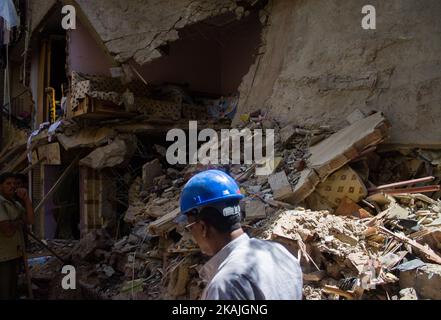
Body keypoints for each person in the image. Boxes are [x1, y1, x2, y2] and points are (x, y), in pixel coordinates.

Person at [176, 169, 303, 300]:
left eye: (190, 227)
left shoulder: (224, 286)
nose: (191, 235)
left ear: (203, 227)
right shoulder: (279, 251)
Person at [0, 172, 35, 299]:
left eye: (14, 184)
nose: (12, 186)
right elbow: (7, 230)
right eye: (8, 184)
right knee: (4, 292)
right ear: (0, 186)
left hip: (14, 254)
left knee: (12, 291)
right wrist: (19, 222)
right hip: (2, 257)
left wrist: (26, 199)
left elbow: (30, 220)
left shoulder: (15, 204)